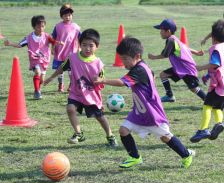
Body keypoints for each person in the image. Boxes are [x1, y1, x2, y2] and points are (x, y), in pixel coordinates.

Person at [94, 37, 194, 169]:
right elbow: (152, 74)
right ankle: (135, 157)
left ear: (137, 56)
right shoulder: (142, 65)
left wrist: (103, 80)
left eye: (125, 59)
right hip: (140, 112)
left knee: (165, 137)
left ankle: (186, 155)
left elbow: (122, 83)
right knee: (123, 130)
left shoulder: (139, 70)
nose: (123, 63)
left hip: (152, 113)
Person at [44, 29, 118, 147]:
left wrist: (99, 86)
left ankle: (110, 135)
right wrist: (50, 78)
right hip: (76, 93)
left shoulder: (98, 63)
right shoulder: (72, 57)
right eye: (84, 45)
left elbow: (101, 81)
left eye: (91, 46)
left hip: (91, 96)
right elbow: (61, 68)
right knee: (70, 109)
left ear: (97, 47)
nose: (87, 48)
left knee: (100, 117)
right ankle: (78, 133)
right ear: (79, 45)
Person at [4, 15, 63, 99]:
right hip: (34, 58)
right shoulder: (29, 38)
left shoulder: (46, 36)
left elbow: (53, 41)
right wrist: (10, 43)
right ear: (34, 27)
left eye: (43, 26)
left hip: (44, 59)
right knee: (37, 72)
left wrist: (58, 43)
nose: (41, 29)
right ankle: (37, 91)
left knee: (41, 79)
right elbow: (19, 45)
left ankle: (37, 89)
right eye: (38, 27)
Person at [148, 19, 206, 103]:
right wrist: (196, 52)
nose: (160, 32)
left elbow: (165, 54)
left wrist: (153, 57)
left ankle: (208, 101)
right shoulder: (174, 39)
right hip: (179, 68)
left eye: (161, 30)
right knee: (163, 75)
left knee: (194, 88)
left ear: (168, 31)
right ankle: (169, 96)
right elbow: (184, 47)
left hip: (186, 69)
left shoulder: (171, 40)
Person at [51, 3, 81, 92]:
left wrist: (80, 48)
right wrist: (52, 47)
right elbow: (53, 38)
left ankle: (72, 84)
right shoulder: (58, 26)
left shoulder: (76, 27)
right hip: (60, 52)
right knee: (60, 70)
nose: (67, 17)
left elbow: (81, 38)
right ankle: (61, 84)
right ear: (61, 16)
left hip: (71, 53)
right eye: (65, 15)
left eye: (69, 15)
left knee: (71, 70)